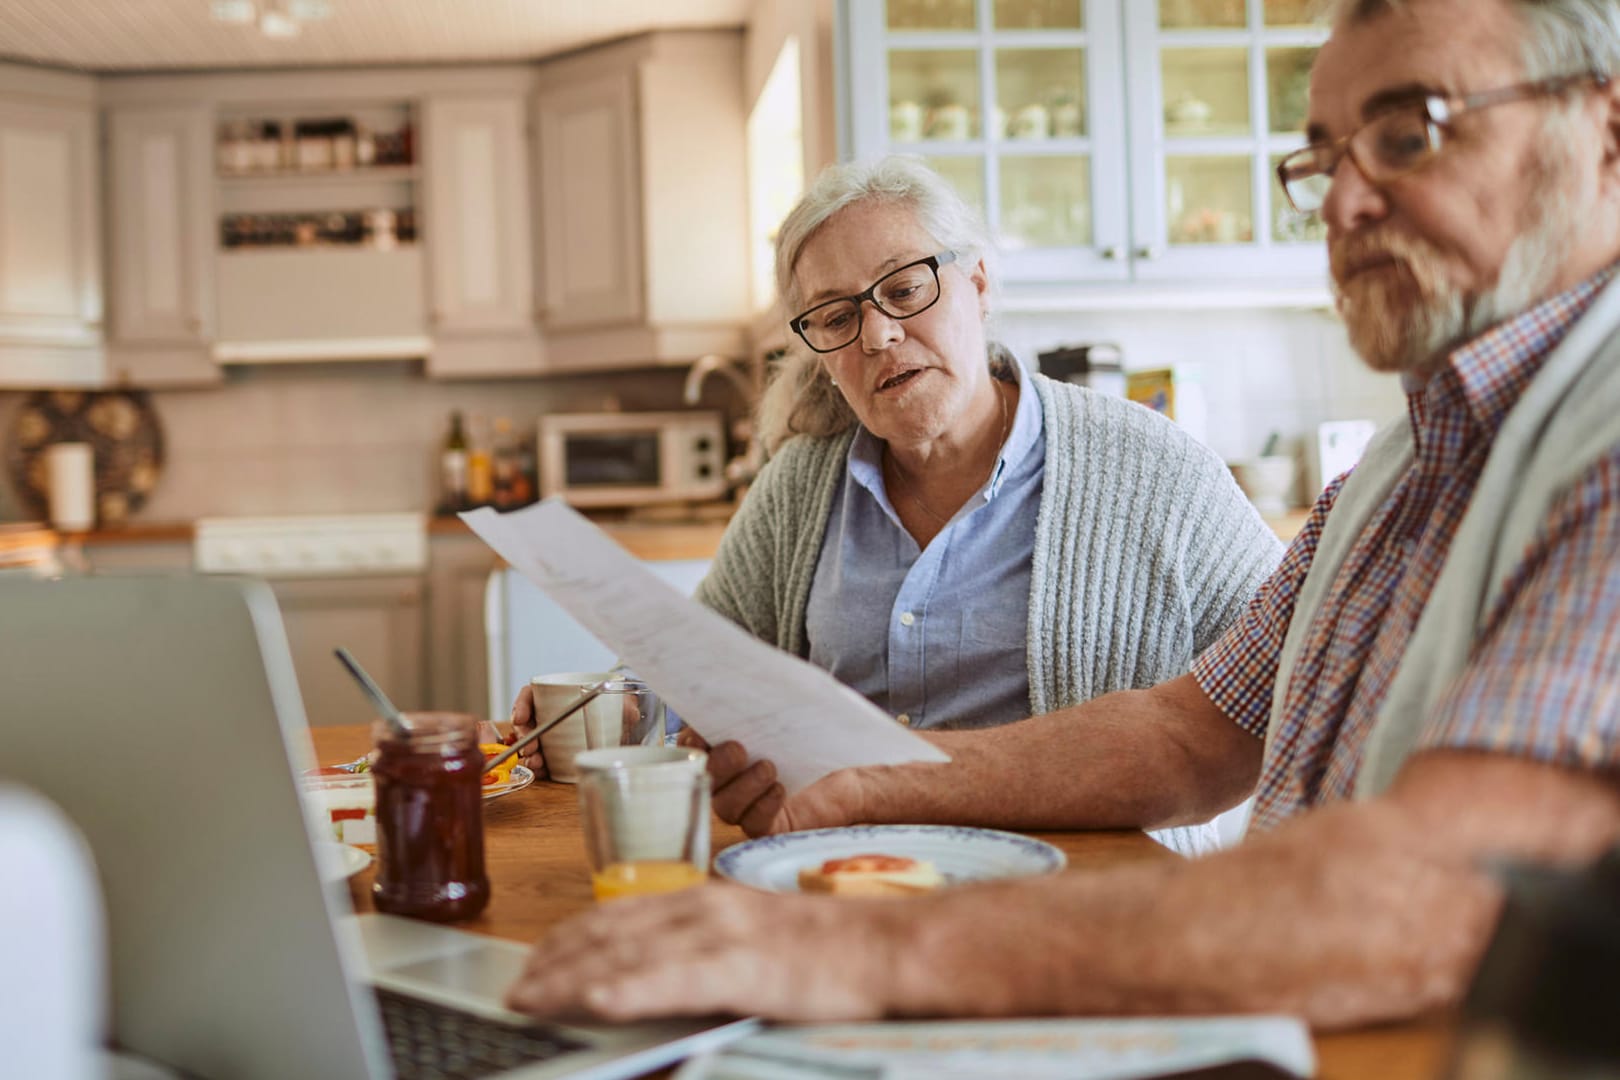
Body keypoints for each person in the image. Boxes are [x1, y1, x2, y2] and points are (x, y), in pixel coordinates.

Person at [502, 0, 1620, 1031]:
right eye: (1322, 158)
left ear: (1607, 132)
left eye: (1410, 131)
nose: (1343, 199)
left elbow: (1429, 899)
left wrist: (864, 954)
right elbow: (1189, 735)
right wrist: (866, 786)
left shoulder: (1601, 441)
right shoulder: (1401, 468)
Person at [511, 155, 1283, 855]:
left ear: (977, 285)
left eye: (905, 289)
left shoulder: (1154, 468)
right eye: (838, 316)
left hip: (1085, 900)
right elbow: (693, 671)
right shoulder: (800, 486)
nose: (878, 334)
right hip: (843, 875)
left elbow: (1292, 679)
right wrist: (599, 713)